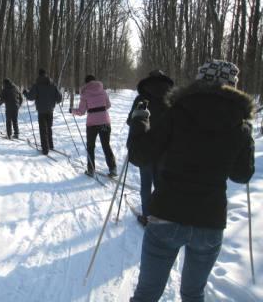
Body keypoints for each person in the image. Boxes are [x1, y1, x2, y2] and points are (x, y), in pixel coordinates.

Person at [127, 59, 255, 302]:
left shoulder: (177, 111)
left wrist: (140, 120)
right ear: (233, 86)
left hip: (167, 216)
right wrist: (246, 140)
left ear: (200, 81)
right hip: (210, 222)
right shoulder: (239, 125)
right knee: (193, 294)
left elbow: (140, 154)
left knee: (146, 294)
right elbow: (241, 175)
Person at [126, 69, 174, 226]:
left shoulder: (141, 99)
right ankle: (162, 216)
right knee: (161, 184)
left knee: (145, 184)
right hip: (166, 149)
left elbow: (130, 121)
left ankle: (147, 217)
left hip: (145, 147)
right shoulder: (172, 99)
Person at [71, 74, 117, 177]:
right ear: (95, 81)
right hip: (105, 121)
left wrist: (72, 111)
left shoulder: (85, 93)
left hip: (92, 124)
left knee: (90, 146)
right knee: (106, 145)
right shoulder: (103, 91)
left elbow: (81, 111)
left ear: (86, 83)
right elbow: (108, 105)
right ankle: (113, 169)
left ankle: (91, 170)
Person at [23, 69, 62, 155]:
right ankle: (50, 145)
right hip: (50, 110)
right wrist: (54, 100)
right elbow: (59, 98)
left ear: (39, 75)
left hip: (41, 110)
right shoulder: (52, 84)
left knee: (43, 129)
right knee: (49, 127)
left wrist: (25, 93)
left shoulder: (37, 85)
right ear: (46, 74)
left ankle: (45, 149)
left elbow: (30, 97)